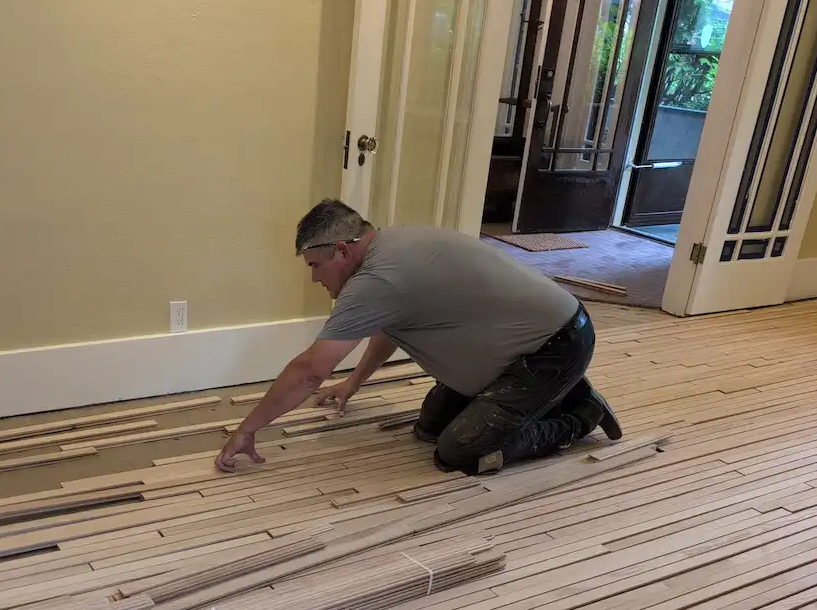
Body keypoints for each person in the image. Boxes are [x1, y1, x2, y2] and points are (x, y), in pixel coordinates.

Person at [214, 198, 621, 476]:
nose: (315, 277)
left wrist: (249, 428)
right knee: (429, 427)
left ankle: (581, 414)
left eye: (316, 265)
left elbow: (308, 372)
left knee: (460, 453)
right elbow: (392, 326)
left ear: (341, 250)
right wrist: (353, 384)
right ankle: (562, 393)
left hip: (554, 347)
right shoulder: (390, 247)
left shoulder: (378, 279)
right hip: (526, 347)